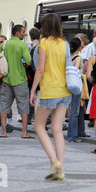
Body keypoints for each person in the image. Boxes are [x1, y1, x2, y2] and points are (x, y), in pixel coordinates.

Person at [30, 13, 72, 181]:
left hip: (50, 90)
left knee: (39, 126)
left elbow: (40, 69)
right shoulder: (64, 43)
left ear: (44, 26)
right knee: (57, 130)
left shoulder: (44, 43)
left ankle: (54, 161)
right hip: (65, 90)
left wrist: (33, 91)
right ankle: (60, 169)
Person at [0, 25, 33, 138]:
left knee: (4, 105)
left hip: (6, 79)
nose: (24, 34)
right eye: (23, 32)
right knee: (23, 106)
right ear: (17, 33)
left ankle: (3, 132)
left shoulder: (4, 44)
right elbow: (28, 61)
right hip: (20, 79)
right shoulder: (22, 45)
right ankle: (24, 132)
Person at [67, 37, 83, 142]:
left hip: (67, 84)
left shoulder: (68, 56)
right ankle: (73, 136)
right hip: (76, 85)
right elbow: (76, 70)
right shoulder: (78, 58)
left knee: (73, 110)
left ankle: (77, 132)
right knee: (74, 111)